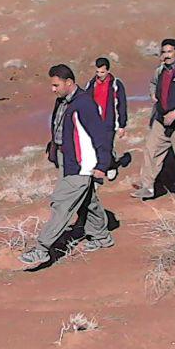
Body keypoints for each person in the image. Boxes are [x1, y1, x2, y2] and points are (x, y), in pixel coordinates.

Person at [20, 65, 113, 268]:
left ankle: (42, 249)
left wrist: (103, 164)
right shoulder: (62, 102)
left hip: (81, 164)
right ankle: (101, 236)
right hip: (67, 159)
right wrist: (54, 150)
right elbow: (59, 127)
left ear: (69, 83)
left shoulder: (85, 104)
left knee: (61, 203)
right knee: (86, 199)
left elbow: (101, 135)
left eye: (56, 85)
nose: (53, 89)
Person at [133, 38, 175, 199]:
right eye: (164, 52)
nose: (167, 55)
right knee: (151, 149)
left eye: (170, 52)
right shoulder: (160, 70)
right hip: (161, 120)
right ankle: (148, 187)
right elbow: (153, 84)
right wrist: (153, 95)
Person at [87, 57, 129, 179]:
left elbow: (122, 104)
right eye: (97, 72)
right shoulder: (91, 84)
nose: (99, 75)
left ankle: (110, 166)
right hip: (94, 121)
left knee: (106, 145)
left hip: (109, 121)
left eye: (102, 72)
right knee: (95, 145)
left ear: (108, 70)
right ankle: (101, 164)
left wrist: (122, 125)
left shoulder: (116, 84)